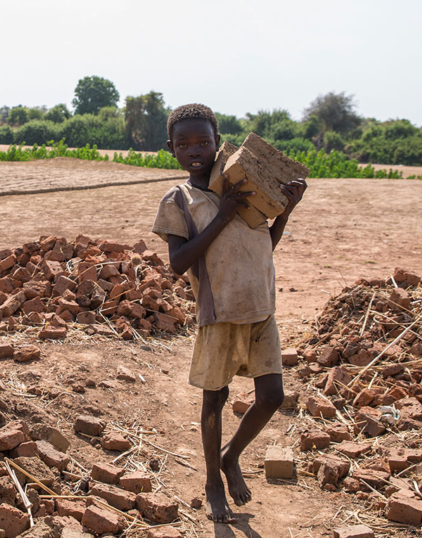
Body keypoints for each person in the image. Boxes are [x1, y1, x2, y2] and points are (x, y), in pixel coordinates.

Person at [151, 104, 307, 523]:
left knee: (272, 396)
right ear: (171, 149)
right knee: (214, 400)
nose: (195, 149)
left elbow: (261, 245)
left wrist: (285, 209)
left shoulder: (241, 186)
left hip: (261, 309)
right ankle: (212, 484)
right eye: (184, 143)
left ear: (218, 143)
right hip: (218, 314)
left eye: (203, 140)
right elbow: (179, 262)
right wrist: (222, 216)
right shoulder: (178, 200)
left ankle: (230, 455)